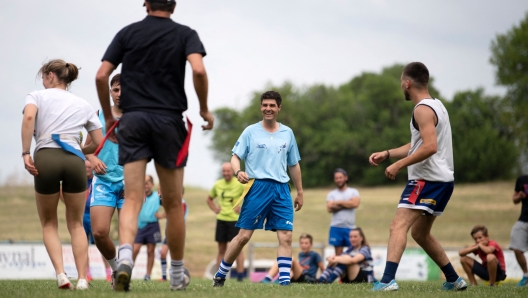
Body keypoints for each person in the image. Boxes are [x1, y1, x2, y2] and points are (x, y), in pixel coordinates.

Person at [95, 0, 213, 291]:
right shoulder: (186, 34)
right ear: (173, 6)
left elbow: (100, 75)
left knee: (132, 198)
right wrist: (204, 109)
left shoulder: (128, 33)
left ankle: (124, 260)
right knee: (173, 203)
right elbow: (198, 71)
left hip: (133, 121)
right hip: (168, 122)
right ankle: (176, 275)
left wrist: (109, 116)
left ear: (145, 4)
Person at [368, 62, 466, 291]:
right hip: (443, 180)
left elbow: (430, 147)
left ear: (407, 83)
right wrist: (388, 153)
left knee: (397, 226)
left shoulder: (421, 108)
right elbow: (419, 144)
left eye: (401, 82)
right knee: (420, 233)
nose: (401, 86)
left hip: (426, 180)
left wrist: (398, 165)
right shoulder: (437, 106)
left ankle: (387, 281)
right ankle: (453, 279)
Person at [21, 59, 103, 290]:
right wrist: (77, 149)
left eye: (44, 78)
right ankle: (83, 279)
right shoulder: (83, 104)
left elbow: (29, 118)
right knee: (76, 223)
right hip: (75, 161)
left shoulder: (36, 96)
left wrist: (26, 152)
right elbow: (98, 143)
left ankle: (60, 274)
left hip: (46, 155)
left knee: (49, 223)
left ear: (50, 76)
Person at [212, 90, 304, 287]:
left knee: (286, 237)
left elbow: (294, 164)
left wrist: (300, 192)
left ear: (279, 108)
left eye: (272, 105)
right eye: (265, 105)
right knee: (244, 236)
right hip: (257, 188)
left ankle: (285, 284)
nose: (267, 109)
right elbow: (235, 157)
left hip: (281, 189)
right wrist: (238, 172)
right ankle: (220, 275)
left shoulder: (287, 133)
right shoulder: (250, 132)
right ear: (261, 107)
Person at [85, 73, 124, 285]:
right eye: (116, 90)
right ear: (109, 91)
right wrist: (92, 159)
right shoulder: (97, 115)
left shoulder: (137, 117)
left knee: (128, 234)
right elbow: (86, 149)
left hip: (130, 183)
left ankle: (124, 271)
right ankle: (117, 269)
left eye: (124, 89)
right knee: (99, 232)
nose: (120, 94)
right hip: (103, 183)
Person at [206, 162, 246, 281]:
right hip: (221, 220)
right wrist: (215, 209)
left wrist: (243, 209)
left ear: (232, 172)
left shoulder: (239, 184)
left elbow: (251, 196)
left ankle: (240, 276)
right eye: (224, 171)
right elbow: (209, 199)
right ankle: (219, 276)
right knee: (221, 249)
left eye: (228, 171)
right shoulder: (218, 184)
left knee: (237, 249)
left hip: (234, 220)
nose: (226, 173)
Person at [132, 175, 162, 281]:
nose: (146, 186)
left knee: (150, 250)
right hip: (140, 226)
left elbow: (168, 206)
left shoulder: (156, 196)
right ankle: (128, 271)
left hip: (153, 225)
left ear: (152, 184)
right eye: (144, 183)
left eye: (148, 183)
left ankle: (148, 275)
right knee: (135, 249)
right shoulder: (139, 196)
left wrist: (162, 215)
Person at [157, 186, 188, 282]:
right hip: (168, 231)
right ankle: (164, 277)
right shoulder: (171, 203)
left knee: (176, 255)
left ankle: (178, 276)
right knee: (163, 254)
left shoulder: (182, 204)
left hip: (177, 233)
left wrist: (162, 215)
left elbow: (176, 215)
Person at [326, 168, 360, 256]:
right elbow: (330, 208)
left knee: (352, 253)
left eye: (340, 177)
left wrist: (338, 202)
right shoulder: (331, 194)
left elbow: (355, 204)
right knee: (338, 255)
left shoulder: (353, 192)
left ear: (346, 178)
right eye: (336, 178)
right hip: (336, 227)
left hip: (350, 228)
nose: (338, 180)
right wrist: (347, 203)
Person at [510, 175, 528, 286]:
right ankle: (526, 275)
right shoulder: (522, 180)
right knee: (516, 248)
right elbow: (514, 199)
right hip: (524, 219)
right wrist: (520, 196)